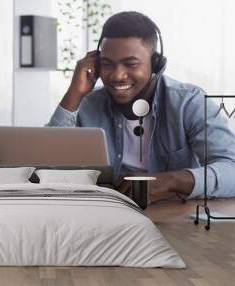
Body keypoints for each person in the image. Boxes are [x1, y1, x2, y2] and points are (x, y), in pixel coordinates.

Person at [47, 11, 235, 202]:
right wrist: (74, 93)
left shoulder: (189, 103)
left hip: (173, 216)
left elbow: (231, 170)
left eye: (131, 64)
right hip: (107, 213)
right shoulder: (88, 104)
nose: (117, 75)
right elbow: (45, 168)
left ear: (156, 64)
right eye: (107, 64)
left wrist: (169, 180)